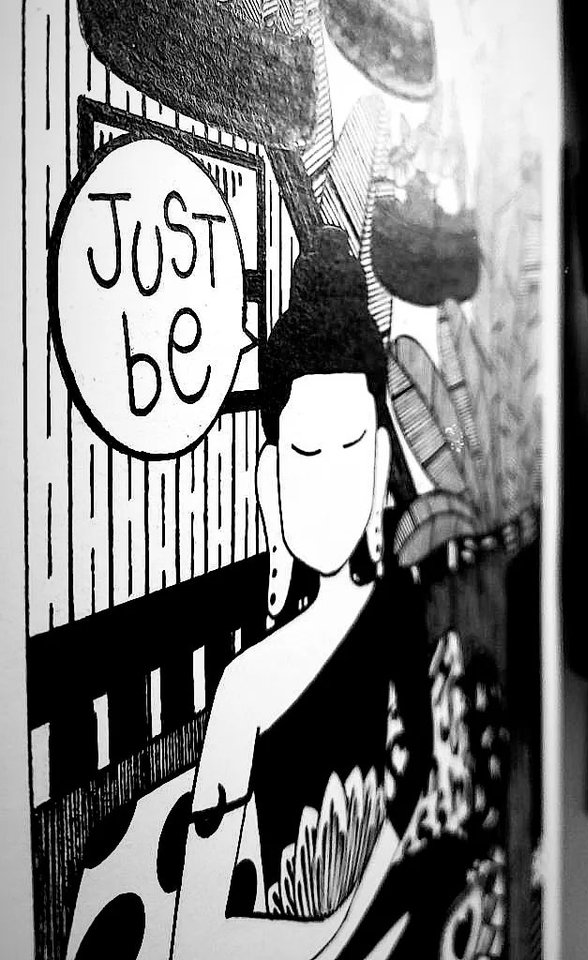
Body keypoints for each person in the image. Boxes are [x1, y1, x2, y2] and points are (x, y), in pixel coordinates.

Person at [170, 227, 432, 960]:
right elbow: (196, 934)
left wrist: (369, 902)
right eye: (306, 452)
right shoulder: (246, 690)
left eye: (349, 448)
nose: (328, 481)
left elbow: (414, 771)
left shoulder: (396, 605)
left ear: (379, 460)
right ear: (270, 478)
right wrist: (332, 935)